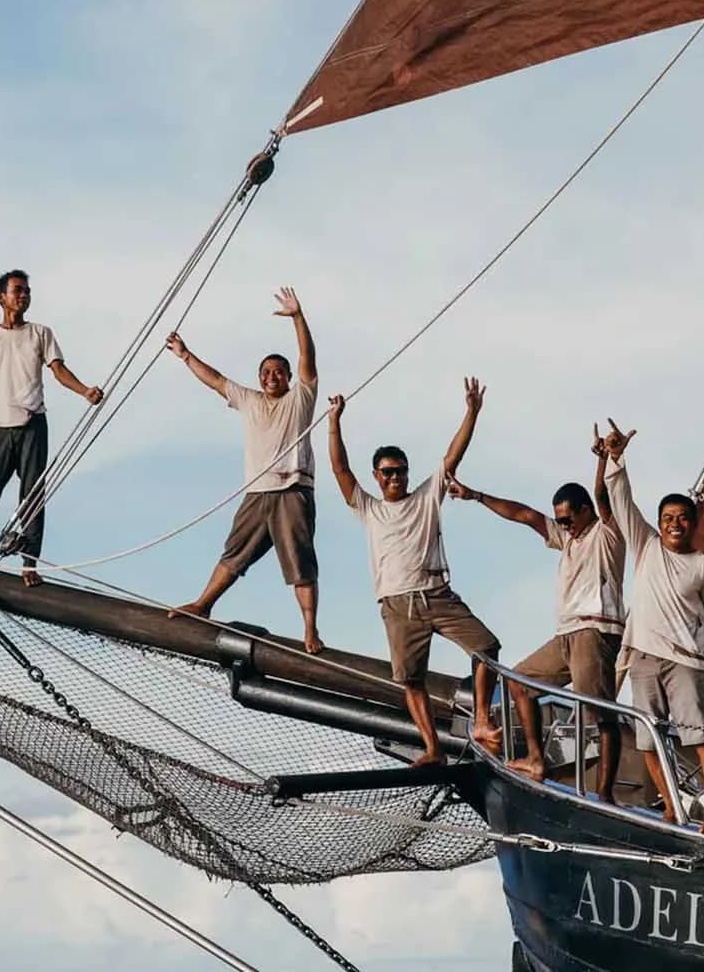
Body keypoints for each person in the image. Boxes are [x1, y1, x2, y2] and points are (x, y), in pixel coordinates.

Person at [327, 379, 503, 765]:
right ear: (377, 475)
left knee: (487, 647)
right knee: (409, 679)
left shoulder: (425, 498)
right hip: (398, 603)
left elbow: (451, 457)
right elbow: (340, 469)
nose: (395, 478)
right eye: (388, 472)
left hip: (437, 594)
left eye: (401, 471)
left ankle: (482, 720)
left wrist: (471, 413)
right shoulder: (369, 508)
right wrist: (334, 422)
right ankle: (433, 748)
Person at [448, 452, 626, 803]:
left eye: (569, 518)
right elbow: (525, 515)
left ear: (586, 510)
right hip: (564, 635)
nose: (565, 525)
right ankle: (535, 759)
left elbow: (604, 496)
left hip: (594, 631)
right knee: (518, 684)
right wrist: (476, 496)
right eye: (560, 520)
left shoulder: (607, 535)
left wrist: (606, 461)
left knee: (600, 713)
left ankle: (605, 792)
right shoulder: (566, 538)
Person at [165, 287, 322, 653]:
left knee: (299, 561)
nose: (272, 376)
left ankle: (311, 630)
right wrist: (186, 355)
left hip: (292, 491)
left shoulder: (301, 398)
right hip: (258, 492)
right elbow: (217, 380)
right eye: (266, 372)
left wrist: (298, 317)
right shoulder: (250, 400)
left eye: (279, 372)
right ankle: (203, 604)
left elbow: (307, 359)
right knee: (234, 552)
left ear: (287, 378)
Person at [599, 421, 704, 833]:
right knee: (648, 740)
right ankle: (673, 806)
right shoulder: (646, 545)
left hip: (687, 662)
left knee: (699, 736)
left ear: (693, 523)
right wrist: (615, 459)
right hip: (644, 658)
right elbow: (620, 501)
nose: (675, 523)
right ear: (660, 522)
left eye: (682, 518)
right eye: (668, 517)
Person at [0, 270, 103, 589]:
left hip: (32, 427)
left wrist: (84, 391)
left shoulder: (41, 333)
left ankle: (30, 564)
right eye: (17, 291)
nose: (24, 295)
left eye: (27, 291)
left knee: (32, 496)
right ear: (2, 297)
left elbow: (58, 370)